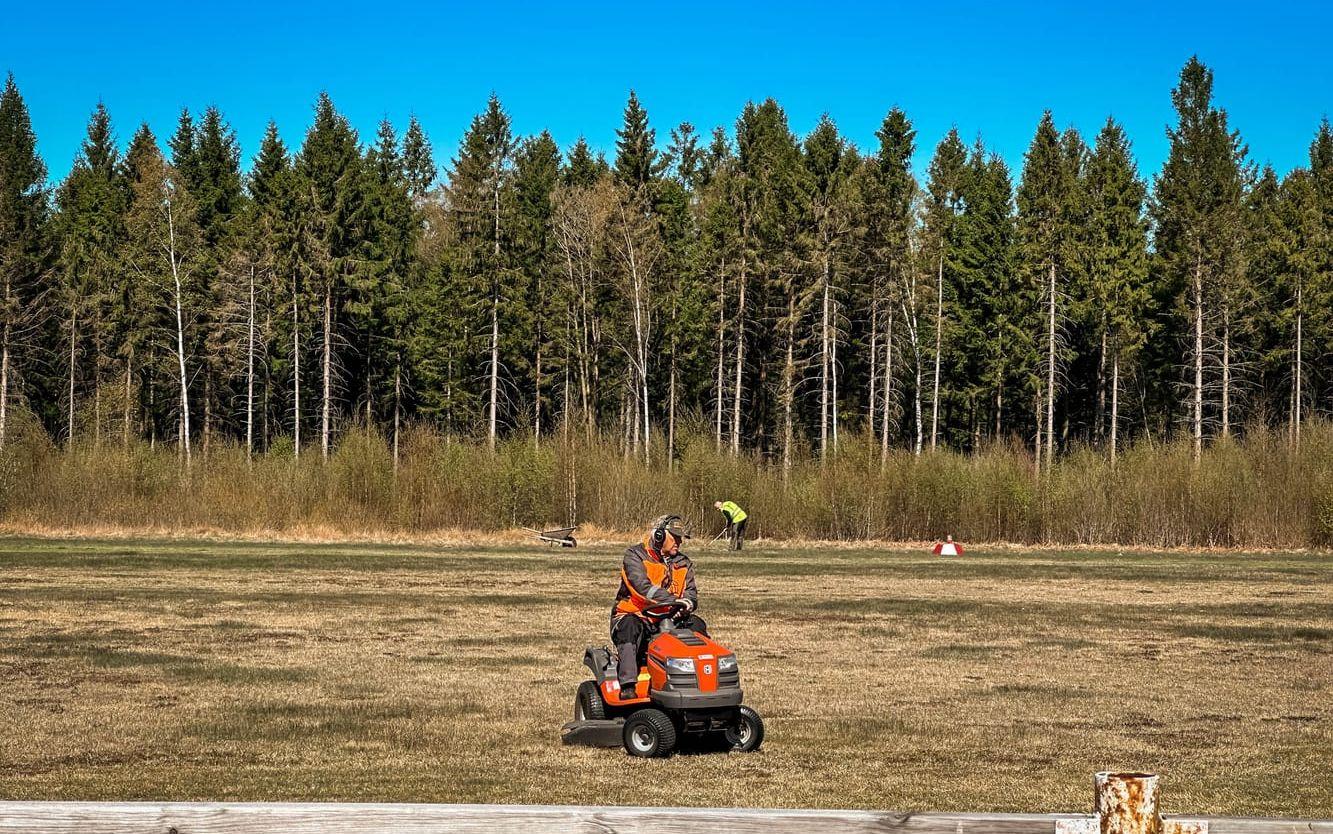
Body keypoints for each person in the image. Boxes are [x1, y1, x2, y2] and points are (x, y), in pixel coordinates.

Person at [609, 514, 708, 696]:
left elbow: (691, 593)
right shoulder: (635, 556)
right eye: (675, 537)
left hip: (670, 619)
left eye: (680, 538)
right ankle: (628, 686)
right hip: (635, 615)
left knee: (697, 625)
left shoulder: (683, 563)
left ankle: (702, 682)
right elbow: (642, 587)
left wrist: (687, 606)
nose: (679, 542)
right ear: (659, 535)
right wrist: (672, 601)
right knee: (629, 627)